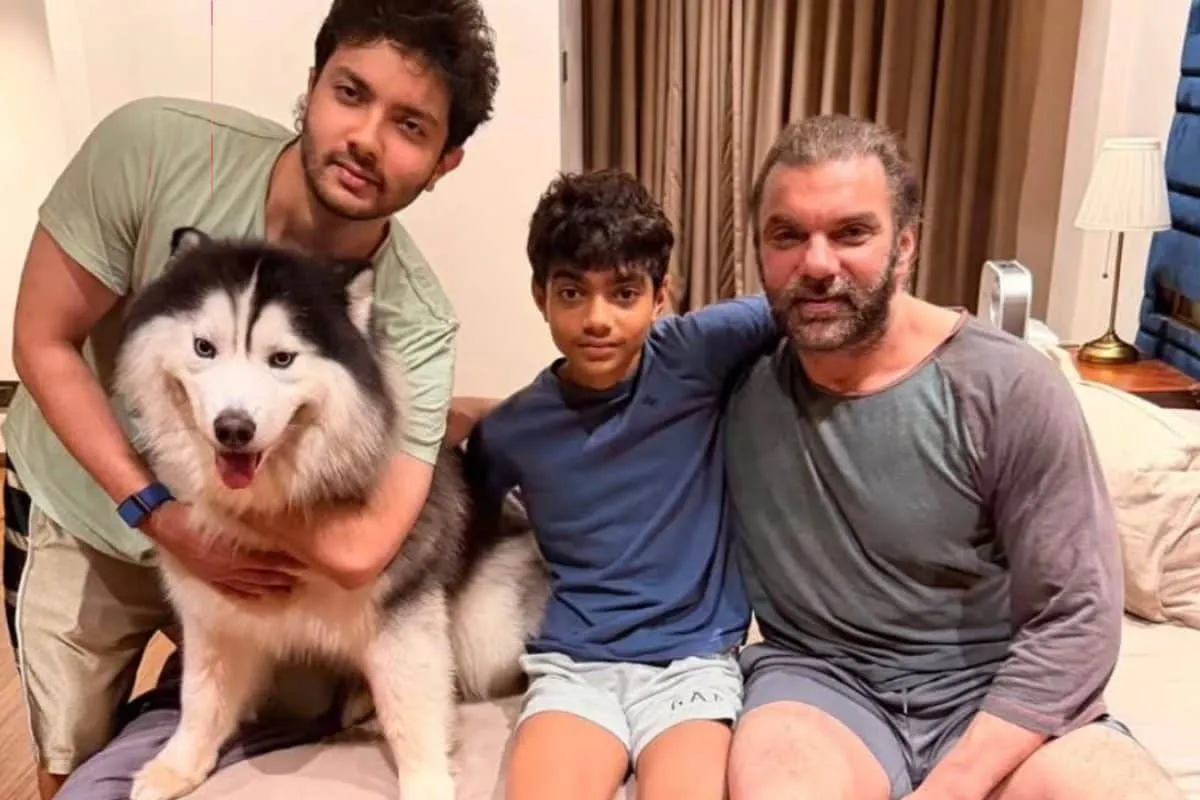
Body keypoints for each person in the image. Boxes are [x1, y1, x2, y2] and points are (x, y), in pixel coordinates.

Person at [3, 1, 498, 796]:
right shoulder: (154, 148)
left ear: (445, 161)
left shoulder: (417, 320)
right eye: (351, 92)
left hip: (273, 550)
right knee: (72, 753)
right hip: (88, 501)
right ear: (311, 85)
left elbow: (368, 551)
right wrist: (160, 514)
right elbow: (40, 341)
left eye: (411, 126)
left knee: (291, 711)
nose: (366, 138)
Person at [721, 114, 1184, 800]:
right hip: (818, 684)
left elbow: (1076, 617)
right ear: (759, 249)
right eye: (788, 235)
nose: (817, 264)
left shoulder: (1007, 386)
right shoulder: (728, 375)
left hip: (996, 690)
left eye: (852, 232)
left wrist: (952, 786)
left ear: (905, 247)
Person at [461, 168, 778, 800]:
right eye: (573, 293)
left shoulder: (695, 354)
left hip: (694, 662)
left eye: (624, 293)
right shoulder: (515, 429)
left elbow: (807, 298)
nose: (597, 319)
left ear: (662, 296)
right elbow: (466, 518)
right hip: (575, 665)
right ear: (540, 296)